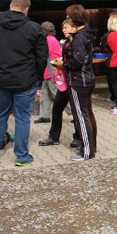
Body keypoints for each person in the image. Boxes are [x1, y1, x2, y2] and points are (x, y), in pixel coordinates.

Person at [0, 0, 47, 166]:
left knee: (0, 115)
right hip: (25, 80)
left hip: (1, 79)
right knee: (22, 118)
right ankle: (22, 156)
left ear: (10, 6)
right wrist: (38, 77)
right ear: (26, 9)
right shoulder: (34, 28)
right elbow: (42, 57)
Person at [53, 5, 97, 161]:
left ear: (74, 18)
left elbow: (77, 61)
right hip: (87, 79)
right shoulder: (85, 34)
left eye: (68, 17)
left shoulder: (79, 37)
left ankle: (86, 151)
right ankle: (91, 147)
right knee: (88, 114)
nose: (66, 20)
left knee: (81, 115)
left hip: (79, 80)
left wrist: (62, 65)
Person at [38, 20, 79, 148]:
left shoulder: (76, 42)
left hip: (73, 80)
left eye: (66, 27)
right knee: (56, 106)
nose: (63, 30)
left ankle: (78, 137)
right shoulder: (65, 42)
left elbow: (78, 61)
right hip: (62, 77)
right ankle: (53, 135)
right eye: (63, 28)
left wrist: (63, 64)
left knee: (76, 109)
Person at [35, 21, 63, 124]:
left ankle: (73, 112)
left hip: (51, 70)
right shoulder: (51, 39)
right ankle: (44, 116)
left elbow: (43, 53)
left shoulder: (49, 40)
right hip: (49, 71)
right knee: (44, 94)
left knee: (57, 94)